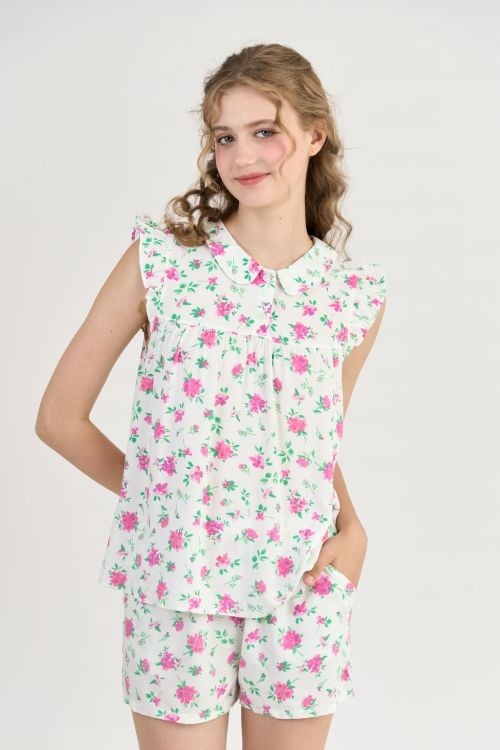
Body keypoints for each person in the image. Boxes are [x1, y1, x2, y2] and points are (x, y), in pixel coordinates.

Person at [35, 42, 388, 750]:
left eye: (265, 131)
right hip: (179, 580)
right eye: (225, 137)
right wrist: (166, 500)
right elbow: (59, 419)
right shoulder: (163, 260)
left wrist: (352, 531)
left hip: (303, 579)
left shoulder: (353, 295)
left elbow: (317, 444)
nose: (243, 155)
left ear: (314, 136)